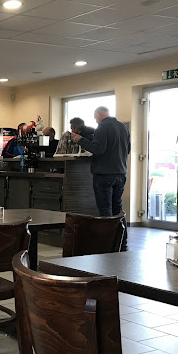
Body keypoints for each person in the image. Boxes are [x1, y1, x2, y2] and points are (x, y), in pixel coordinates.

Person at [71, 106, 130, 251]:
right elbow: (127, 149)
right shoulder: (122, 127)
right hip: (120, 173)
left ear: (99, 113)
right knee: (118, 209)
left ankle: (107, 244)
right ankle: (122, 242)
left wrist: (80, 140)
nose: (95, 121)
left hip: (104, 174)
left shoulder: (102, 127)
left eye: (95, 117)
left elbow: (98, 149)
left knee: (105, 209)